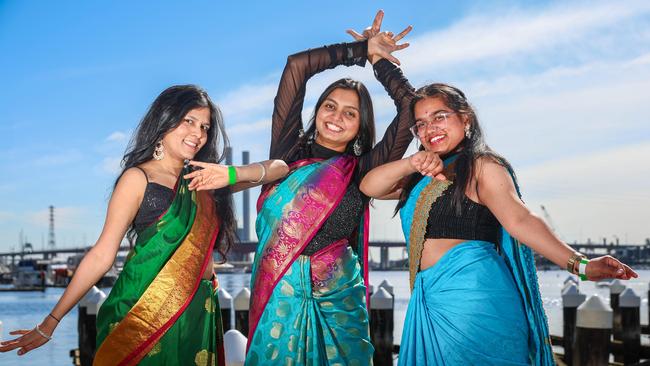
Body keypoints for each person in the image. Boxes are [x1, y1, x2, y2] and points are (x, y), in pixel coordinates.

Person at [0, 85, 289, 365]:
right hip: (140, 312)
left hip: (196, 313)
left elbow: (280, 168)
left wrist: (229, 174)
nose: (198, 134)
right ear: (165, 120)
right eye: (189, 121)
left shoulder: (206, 180)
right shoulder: (137, 179)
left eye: (204, 127)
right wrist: (50, 322)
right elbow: (102, 254)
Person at [359, 79, 639, 365]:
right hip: (430, 298)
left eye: (439, 117)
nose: (430, 129)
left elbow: (520, 219)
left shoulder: (481, 165)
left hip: (477, 299)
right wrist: (411, 162)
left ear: (465, 118)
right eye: (421, 123)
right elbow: (370, 187)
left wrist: (580, 264)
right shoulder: (420, 177)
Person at [245, 13, 415, 365]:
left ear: (360, 125)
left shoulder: (363, 169)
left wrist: (379, 62)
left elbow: (411, 108)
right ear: (318, 110)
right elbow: (297, 66)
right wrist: (359, 49)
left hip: (340, 301)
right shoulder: (287, 154)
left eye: (350, 113)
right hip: (281, 296)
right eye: (330, 106)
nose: (337, 117)